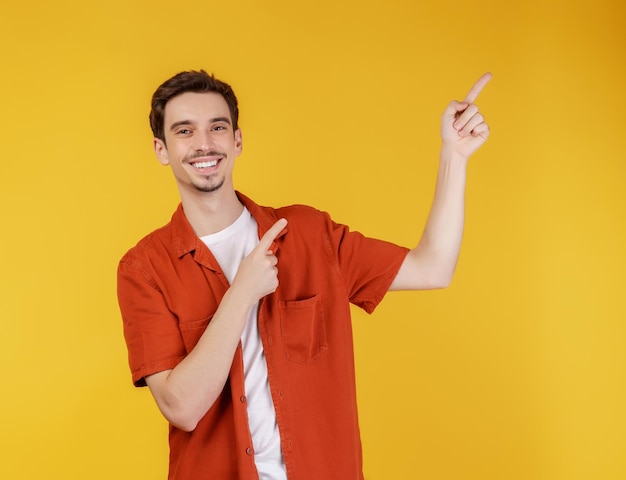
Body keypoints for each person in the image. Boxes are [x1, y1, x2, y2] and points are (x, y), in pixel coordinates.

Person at [117, 69, 491, 480]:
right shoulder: (144, 269)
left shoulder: (310, 235)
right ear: (162, 149)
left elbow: (432, 267)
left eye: (217, 127)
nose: (204, 143)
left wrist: (454, 156)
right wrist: (241, 293)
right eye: (184, 131)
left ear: (237, 140)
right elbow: (182, 408)